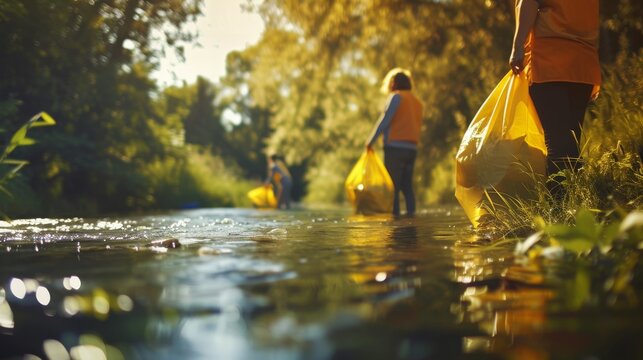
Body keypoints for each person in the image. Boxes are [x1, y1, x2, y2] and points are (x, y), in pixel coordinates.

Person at [509, 0, 601, 193]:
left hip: (550, 59)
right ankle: (578, 204)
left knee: (559, 143)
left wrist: (517, 47)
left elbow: (529, 2)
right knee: (570, 141)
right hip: (583, 60)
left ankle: (558, 210)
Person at [366, 68, 424, 216]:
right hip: (412, 149)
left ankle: (395, 222)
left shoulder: (396, 97)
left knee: (393, 187)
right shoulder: (417, 102)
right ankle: (412, 219)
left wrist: (370, 141)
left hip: (395, 148)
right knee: (407, 187)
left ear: (394, 83)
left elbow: (385, 120)